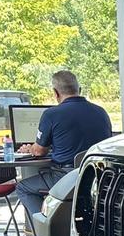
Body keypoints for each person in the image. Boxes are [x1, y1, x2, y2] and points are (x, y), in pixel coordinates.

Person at [15, 70, 112, 219]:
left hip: (66, 177)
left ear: (55, 92)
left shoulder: (52, 114)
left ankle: (45, 226)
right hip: (97, 177)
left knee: (23, 188)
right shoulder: (101, 112)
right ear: (79, 90)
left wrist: (30, 148)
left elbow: (40, 151)